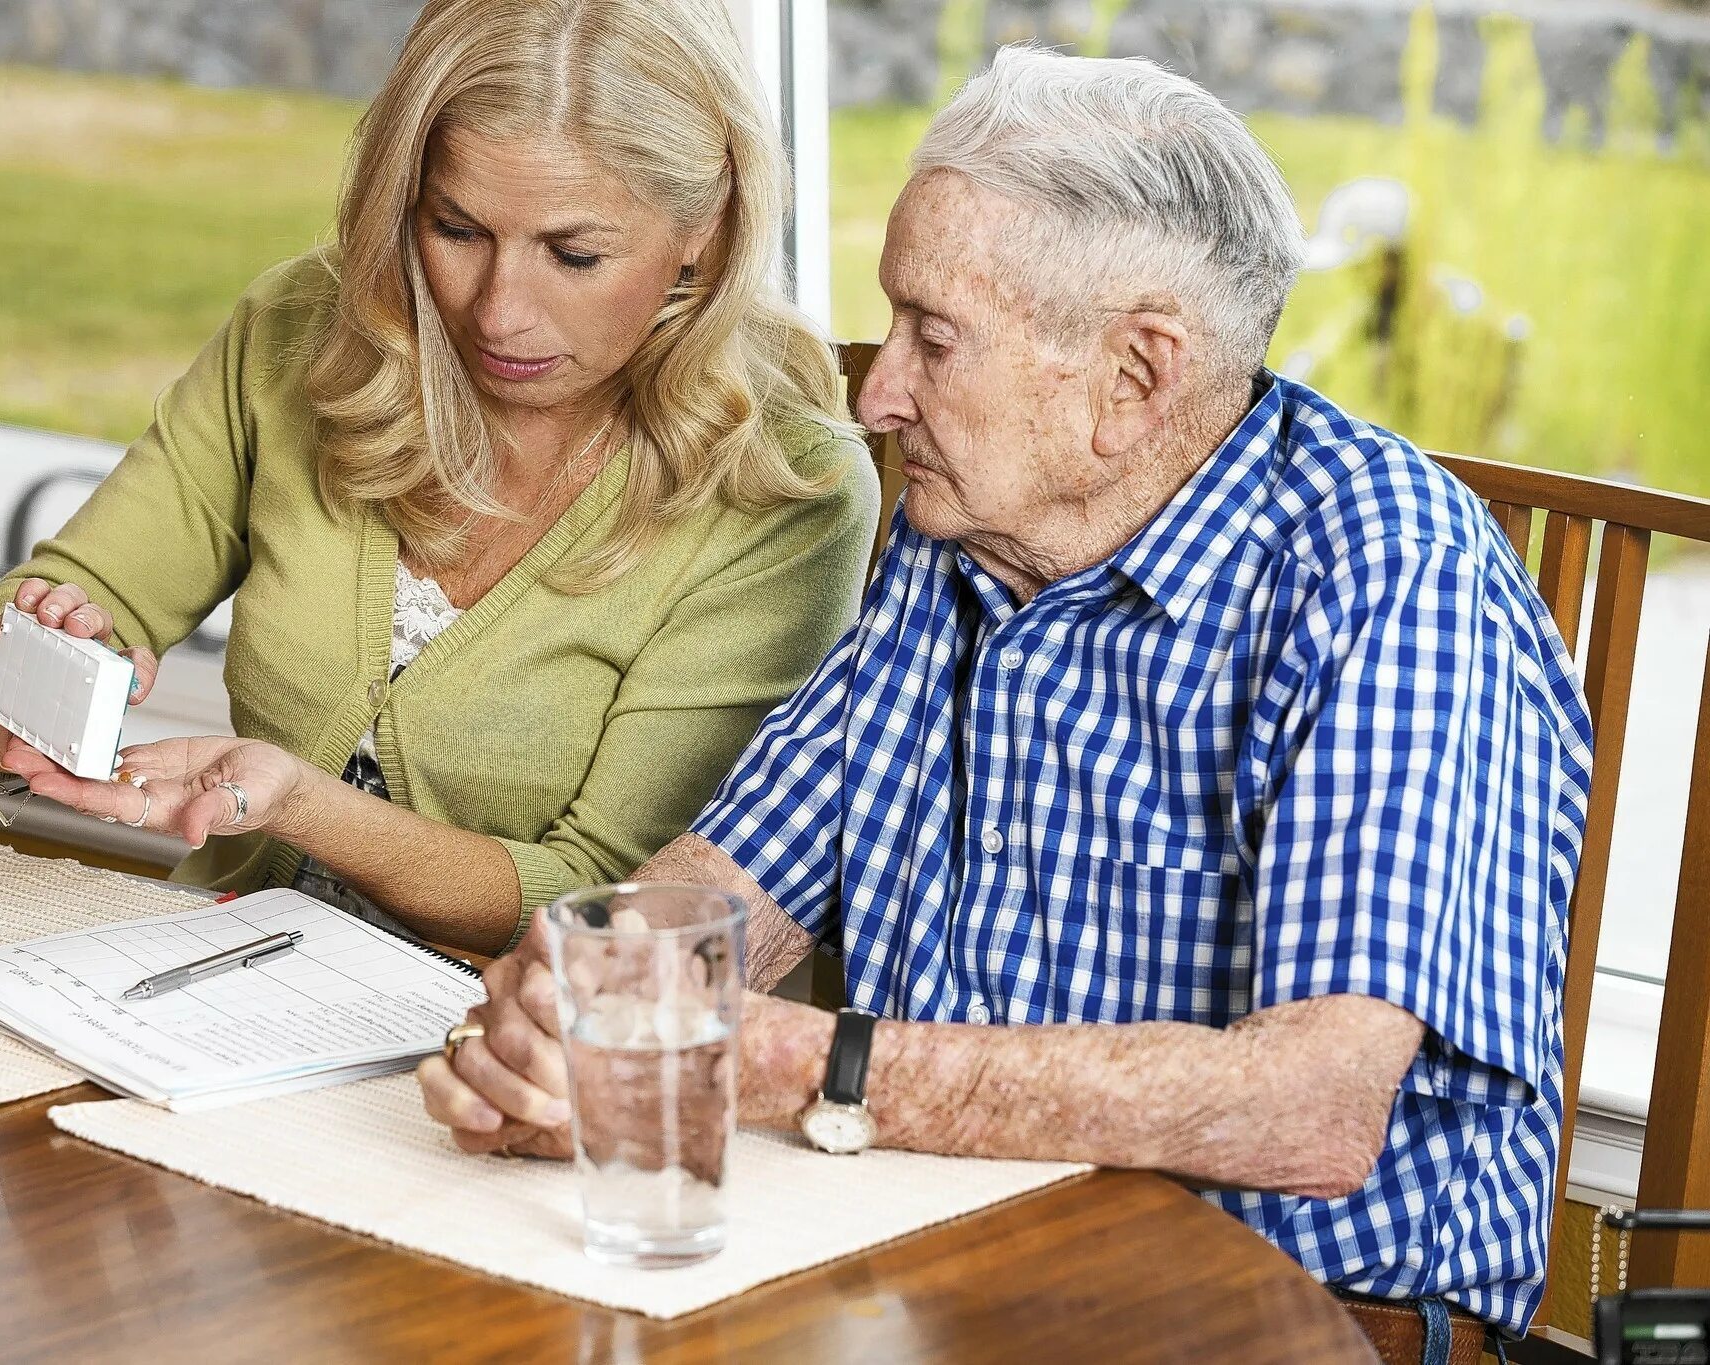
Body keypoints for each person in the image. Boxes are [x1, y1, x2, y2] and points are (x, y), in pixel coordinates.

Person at [418, 46, 1593, 1358]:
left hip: (1295, 1326)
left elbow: (1307, 1111)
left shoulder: (1388, 582)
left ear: (1136, 378)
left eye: (934, 336)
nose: (878, 394)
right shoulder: (966, 522)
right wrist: (584, 999)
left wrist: (790, 1065)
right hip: (946, 1270)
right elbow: (738, 877)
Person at [0, 0, 879, 956]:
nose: (499, 312)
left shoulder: (787, 489)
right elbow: (43, 627)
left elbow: (613, 906)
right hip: (208, 991)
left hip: (516, 1052)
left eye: (575, 253)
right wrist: (37, 671)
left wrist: (306, 807)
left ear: (707, 230)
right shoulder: (298, 333)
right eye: (457, 229)